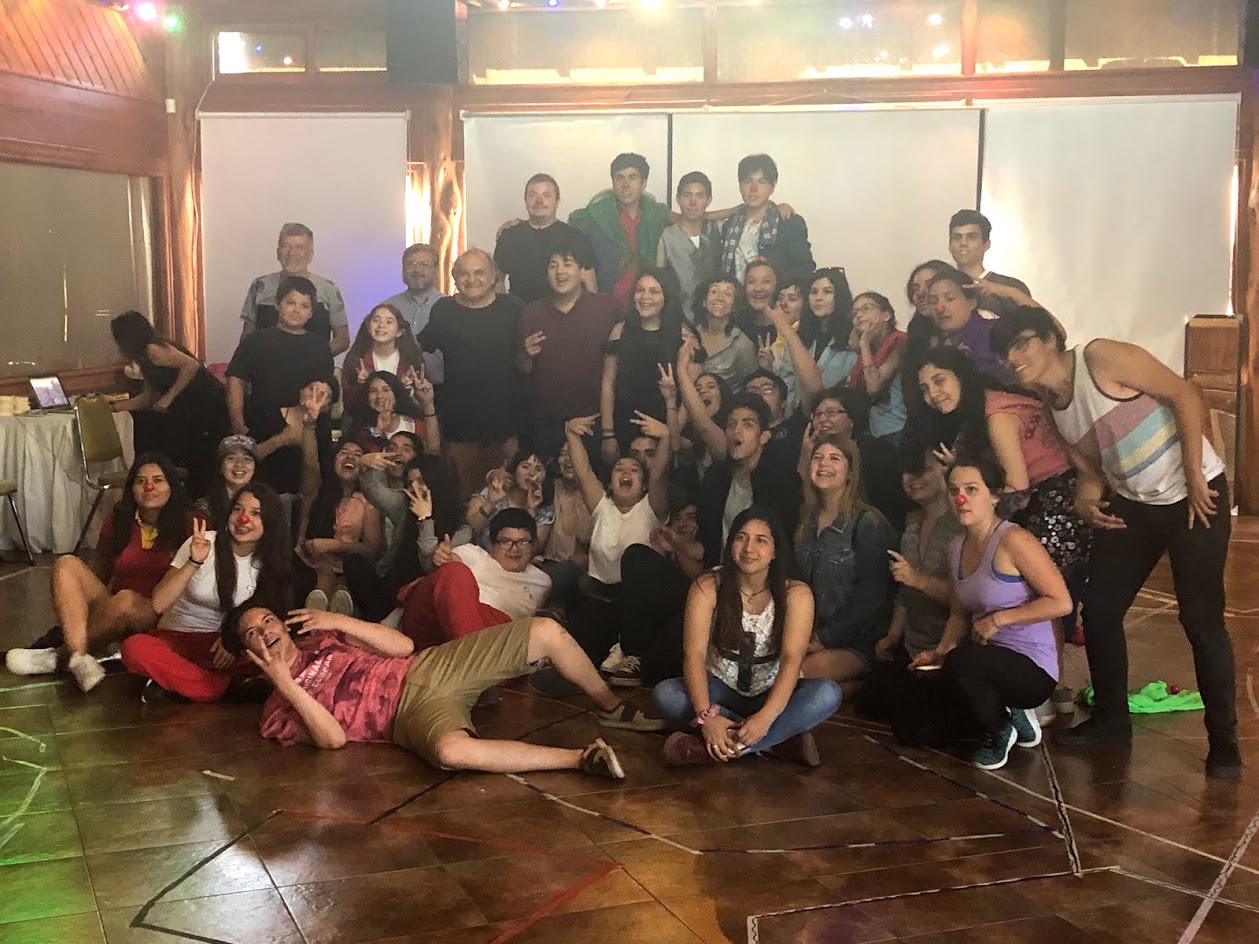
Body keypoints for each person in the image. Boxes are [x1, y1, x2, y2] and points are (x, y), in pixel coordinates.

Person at [991, 308, 1241, 777]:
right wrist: (1087, 499)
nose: (1014, 357)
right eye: (1006, 353)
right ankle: (1111, 722)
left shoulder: (1100, 358)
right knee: (1101, 610)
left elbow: (1185, 394)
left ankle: (1224, 742)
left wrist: (1193, 471)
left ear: (1051, 338)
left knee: (1200, 618)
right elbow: (1090, 469)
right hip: (1136, 505)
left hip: (1195, 494)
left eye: (1021, 343)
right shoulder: (1055, 405)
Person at [225, 600, 664, 773]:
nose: (266, 632)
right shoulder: (276, 712)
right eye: (253, 633)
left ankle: (611, 706)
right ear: (247, 653)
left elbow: (402, 646)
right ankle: (581, 759)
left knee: (545, 630)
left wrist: (337, 620)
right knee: (452, 754)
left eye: (269, 620)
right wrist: (285, 682)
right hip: (407, 717)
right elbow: (333, 740)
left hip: (428, 668)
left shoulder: (323, 638)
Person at [911, 456, 1072, 771]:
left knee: (964, 661)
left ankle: (1000, 729)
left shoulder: (1015, 540)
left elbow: (1060, 602)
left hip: (1031, 667)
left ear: (994, 495)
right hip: (985, 661)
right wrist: (939, 653)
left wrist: (999, 619)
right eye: (954, 490)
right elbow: (958, 614)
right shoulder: (956, 547)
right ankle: (1012, 716)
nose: (961, 499)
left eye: (971, 489)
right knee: (916, 727)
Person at [653, 507, 841, 767]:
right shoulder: (707, 586)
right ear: (731, 544)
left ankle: (724, 748)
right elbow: (693, 655)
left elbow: (791, 660)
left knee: (827, 693)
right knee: (667, 695)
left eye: (761, 540)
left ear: (775, 551)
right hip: (720, 689)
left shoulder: (796, 593)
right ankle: (778, 742)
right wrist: (706, 717)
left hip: (772, 694)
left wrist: (765, 718)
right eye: (741, 538)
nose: (749, 548)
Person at [5, 454, 195, 692]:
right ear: (132, 489)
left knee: (126, 600)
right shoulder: (119, 519)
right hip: (118, 604)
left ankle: (58, 657)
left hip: (159, 612)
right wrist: (90, 609)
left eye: (158, 480)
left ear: (171, 487)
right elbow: (102, 570)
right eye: (141, 481)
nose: (149, 487)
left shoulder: (191, 523)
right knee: (67, 564)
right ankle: (78, 657)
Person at [121, 482, 293, 703]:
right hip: (176, 640)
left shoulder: (271, 562)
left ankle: (176, 682)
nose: (243, 519)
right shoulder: (203, 541)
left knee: (271, 654)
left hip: (223, 648)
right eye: (238, 509)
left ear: (270, 521)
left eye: (255, 513)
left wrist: (232, 641)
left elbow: (267, 616)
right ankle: (221, 688)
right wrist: (194, 561)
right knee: (134, 648)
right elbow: (158, 603)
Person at [859, 442, 966, 745]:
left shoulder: (961, 525)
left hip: (950, 646)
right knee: (869, 702)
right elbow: (904, 594)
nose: (913, 479)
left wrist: (917, 579)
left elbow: (967, 600)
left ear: (943, 471)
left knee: (913, 730)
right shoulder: (910, 525)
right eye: (908, 472)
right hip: (912, 645)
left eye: (923, 470)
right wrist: (893, 635)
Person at [560, 413, 671, 685]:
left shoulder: (651, 508)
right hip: (602, 597)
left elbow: (658, 473)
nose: (626, 473)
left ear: (643, 485)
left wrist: (666, 436)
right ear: (610, 482)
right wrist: (571, 433)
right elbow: (584, 472)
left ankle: (632, 653)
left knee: (635, 556)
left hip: (641, 604)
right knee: (578, 654)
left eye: (634, 470)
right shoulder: (602, 508)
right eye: (620, 469)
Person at [418, 249, 525, 502]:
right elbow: (419, 346)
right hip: (459, 429)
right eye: (464, 273)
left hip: (506, 427)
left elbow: (527, 359)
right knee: (462, 501)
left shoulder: (513, 308)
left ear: (493, 276)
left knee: (508, 502)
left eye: (479, 273)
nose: (471, 279)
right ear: (454, 278)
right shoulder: (443, 310)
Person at [796, 436, 897, 683]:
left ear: (850, 472)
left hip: (856, 643)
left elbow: (871, 596)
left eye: (834, 458)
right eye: (818, 457)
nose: (824, 464)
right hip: (807, 635)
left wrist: (825, 638)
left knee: (792, 676)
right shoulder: (806, 521)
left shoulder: (868, 523)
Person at [226, 275, 335, 497]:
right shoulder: (256, 341)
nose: (297, 310)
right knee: (263, 494)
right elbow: (236, 381)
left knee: (309, 495)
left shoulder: (320, 346)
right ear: (277, 305)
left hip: (308, 430)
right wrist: (238, 424)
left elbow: (325, 388)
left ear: (312, 312)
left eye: (304, 306)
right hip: (264, 425)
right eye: (291, 302)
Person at [517, 236, 623, 459]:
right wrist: (526, 355)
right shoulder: (531, 313)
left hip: (594, 423)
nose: (560, 272)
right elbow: (523, 370)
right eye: (553, 265)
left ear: (581, 270)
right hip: (547, 426)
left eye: (567, 264)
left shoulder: (609, 309)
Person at [110, 311, 230, 498]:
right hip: (188, 412)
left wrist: (169, 397)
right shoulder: (144, 359)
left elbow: (191, 365)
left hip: (206, 408)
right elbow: (148, 397)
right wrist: (114, 408)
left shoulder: (154, 349)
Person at [397, 507, 550, 650]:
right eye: (505, 541)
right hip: (439, 623)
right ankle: (474, 654)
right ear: (492, 544)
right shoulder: (474, 554)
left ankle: (474, 651)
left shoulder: (542, 582)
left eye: (523, 542)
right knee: (455, 571)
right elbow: (451, 562)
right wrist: (443, 557)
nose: (514, 549)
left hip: (495, 632)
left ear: (533, 545)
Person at [696, 393, 802, 566]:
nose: (737, 430)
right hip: (721, 572)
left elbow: (786, 542)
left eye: (748, 424)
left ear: (764, 436)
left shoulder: (783, 481)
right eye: (731, 424)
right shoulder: (715, 477)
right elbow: (707, 537)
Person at [600, 268, 686, 463]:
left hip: (666, 427)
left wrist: (671, 432)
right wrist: (607, 434)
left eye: (654, 291)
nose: (645, 297)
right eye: (640, 290)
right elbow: (607, 383)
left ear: (667, 296)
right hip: (623, 427)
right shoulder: (619, 331)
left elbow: (690, 396)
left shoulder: (682, 335)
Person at [801, 388, 909, 534]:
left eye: (831, 413)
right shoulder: (811, 452)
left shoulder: (878, 451)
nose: (822, 419)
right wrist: (806, 456)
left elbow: (892, 502)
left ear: (852, 419)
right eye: (817, 414)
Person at [569, 153, 672, 305]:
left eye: (632, 177)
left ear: (643, 183)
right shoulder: (594, 216)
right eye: (620, 178)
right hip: (605, 302)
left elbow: (688, 218)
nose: (625, 185)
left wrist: (712, 214)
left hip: (646, 303)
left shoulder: (657, 215)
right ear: (613, 182)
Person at [296, 440, 382, 613]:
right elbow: (301, 538)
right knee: (324, 578)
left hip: (350, 567)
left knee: (342, 591)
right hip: (315, 564)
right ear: (334, 459)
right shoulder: (316, 491)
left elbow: (372, 547)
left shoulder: (368, 502)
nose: (350, 457)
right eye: (344, 452)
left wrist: (335, 545)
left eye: (357, 455)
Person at [238, 223, 349, 355]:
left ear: (310, 255)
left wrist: (316, 358)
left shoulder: (329, 289)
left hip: (313, 364)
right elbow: (247, 336)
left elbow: (342, 339)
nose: (292, 253)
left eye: (299, 247)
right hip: (265, 364)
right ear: (278, 253)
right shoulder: (259, 286)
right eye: (286, 246)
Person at [495, 173, 596, 305]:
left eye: (546, 195)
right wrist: (505, 308)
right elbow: (497, 281)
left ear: (557, 201)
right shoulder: (509, 237)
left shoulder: (576, 238)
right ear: (525, 200)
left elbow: (590, 286)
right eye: (532, 195)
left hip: (564, 314)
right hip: (519, 313)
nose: (539, 201)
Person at [719, 154, 814, 284]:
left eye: (761, 182)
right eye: (748, 181)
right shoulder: (729, 225)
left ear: (772, 187)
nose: (753, 188)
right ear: (740, 186)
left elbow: (804, 270)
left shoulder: (788, 223)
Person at [769, 268, 857, 410]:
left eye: (827, 292)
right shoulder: (799, 334)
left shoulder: (852, 337)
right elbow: (787, 378)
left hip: (836, 413)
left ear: (839, 296)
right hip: (797, 413)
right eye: (814, 292)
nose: (818, 298)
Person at [656, 170, 722, 322]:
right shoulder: (666, 237)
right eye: (687, 195)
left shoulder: (715, 230)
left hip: (715, 319)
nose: (693, 203)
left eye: (699, 196)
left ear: (708, 200)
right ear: (678, 199)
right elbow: (659, 281)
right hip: (676, 319)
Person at [924, 265, 1007, 382]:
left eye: (950, 298)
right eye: (933, 301)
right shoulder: (939, 343)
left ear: (972, 303)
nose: (939, 308)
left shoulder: (995, 332)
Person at [340, 303, 427, 414]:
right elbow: (348, 404)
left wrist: (407, 390)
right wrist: (362, 386)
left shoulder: (411, 359)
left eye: (389, 322)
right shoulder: (356, 358)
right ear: (368, 327)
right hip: (364, 419)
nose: (381, 325)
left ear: (399, 331)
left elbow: (421, 407)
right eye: (376, 320)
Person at [947, 209, 1030, 319]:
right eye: (957, 237)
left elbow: (1039, 324)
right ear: (950, 246)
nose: (963, 243)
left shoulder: (1011, 287)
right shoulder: (940, 287)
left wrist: (1008, 292)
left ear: (986, 245)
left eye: (972, 237)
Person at [466, 450, 554, 553]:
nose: (532, 473)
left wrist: (531, 511)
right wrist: (490, 503)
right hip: (480, 556)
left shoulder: (544, 508)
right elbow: (471, 528)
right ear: (514, 470)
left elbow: (533, 550)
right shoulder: (495, 490)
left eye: (538, 469)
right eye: (525, 467)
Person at [848, 292, 908, 444]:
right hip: (871, 432)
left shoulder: (900, 342)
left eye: (866, 308)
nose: (859, 315)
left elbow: (874, 387)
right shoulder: (865, 353)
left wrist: (864, 343)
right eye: (855, 313)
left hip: (897, 430)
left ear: (886, 315)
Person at [346, 371, 441, 457]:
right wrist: (377, 431)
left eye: (386, 390)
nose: (379, 396)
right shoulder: (359, 428)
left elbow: (433, 452)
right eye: (373, 391)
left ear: (396, 394)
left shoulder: (413, 423)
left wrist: (428, 403)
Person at [691, 275, 757, 388]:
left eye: (728, 294)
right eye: (714, 291)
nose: (720, 298)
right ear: (704, 301)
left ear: (734, 306)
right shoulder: (689, 335)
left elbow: (751, 387)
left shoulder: (742, 345)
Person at [741, 369, 807, 471]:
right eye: (751, 391)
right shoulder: (737, 435)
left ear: (784, 402)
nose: (759, 394)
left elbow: (813, 392)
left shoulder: (797, 426)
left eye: (767, 389)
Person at [195, 436, 259, 528]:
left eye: (247, 459)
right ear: (220, 467)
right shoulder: (206, 506)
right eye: (231, 458)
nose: (239, 464)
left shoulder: (267, 503)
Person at [737, 260, 780, 347]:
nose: (758, 289)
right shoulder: (736, 326)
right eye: (751, 282)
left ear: (776, 286)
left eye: (766, 281)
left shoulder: (787, 328)